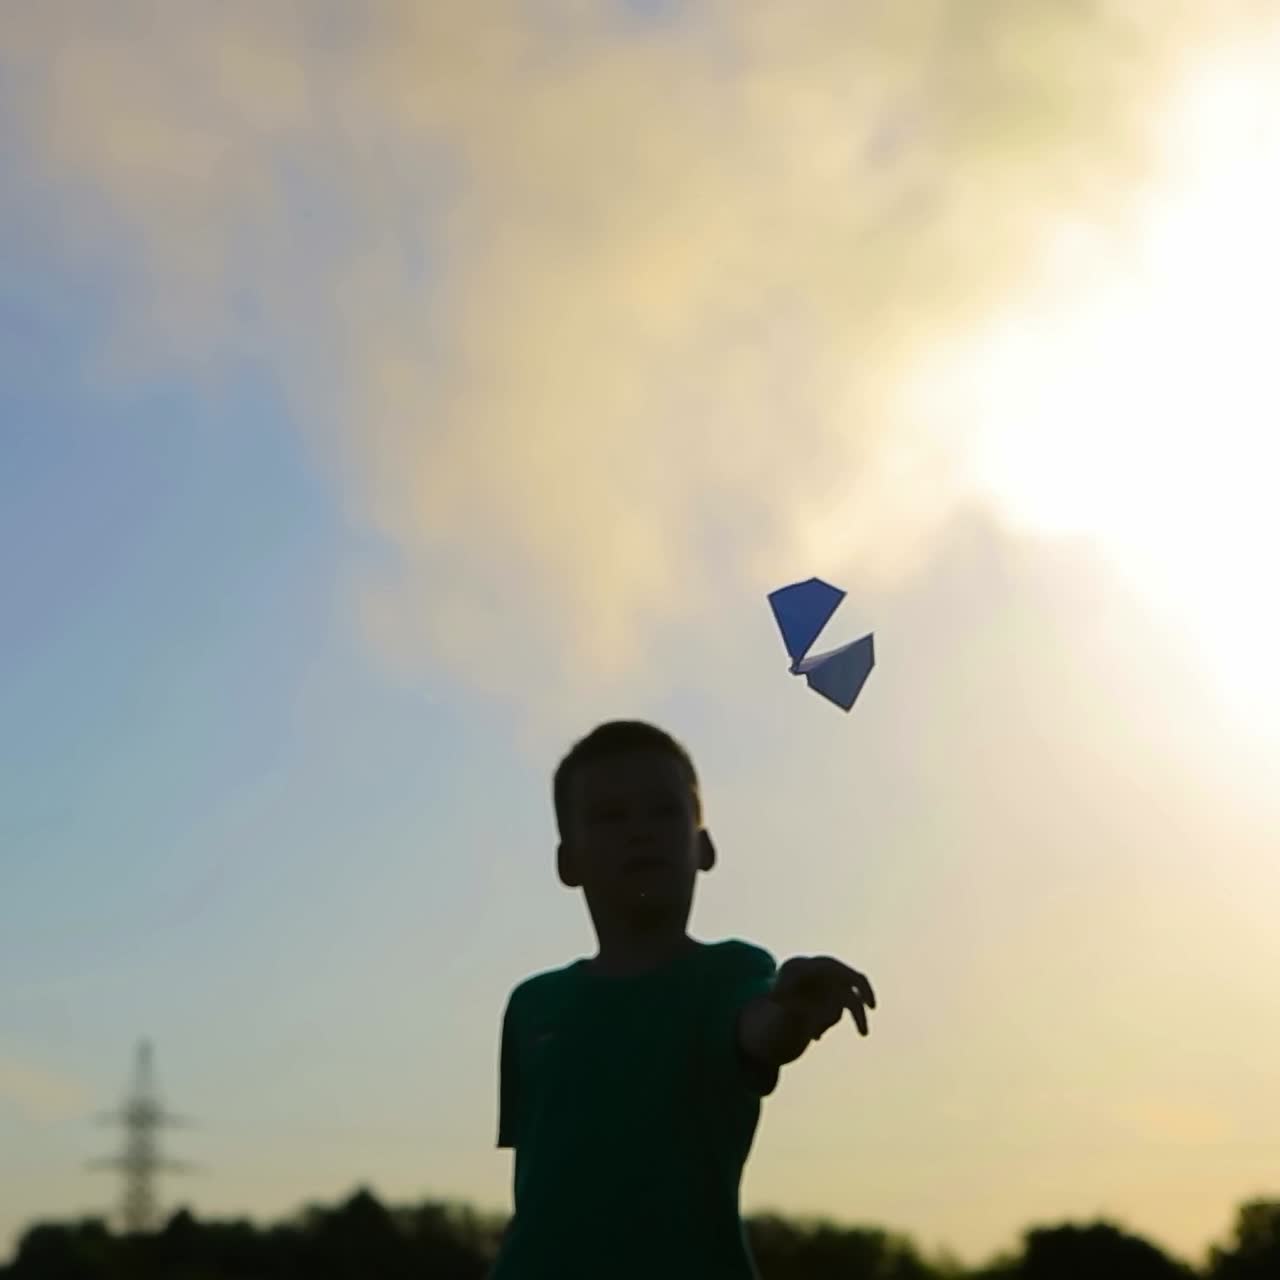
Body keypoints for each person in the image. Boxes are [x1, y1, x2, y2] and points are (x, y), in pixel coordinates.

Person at [488, 720, 876, 1279]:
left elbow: (760, 1031)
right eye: (609, 816)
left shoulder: (732, 972)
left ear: (705, 846)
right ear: (567, 862)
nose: (640, 831)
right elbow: (537, 1191)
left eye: (664, 811)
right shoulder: (532, 1005)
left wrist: (794, 1010)